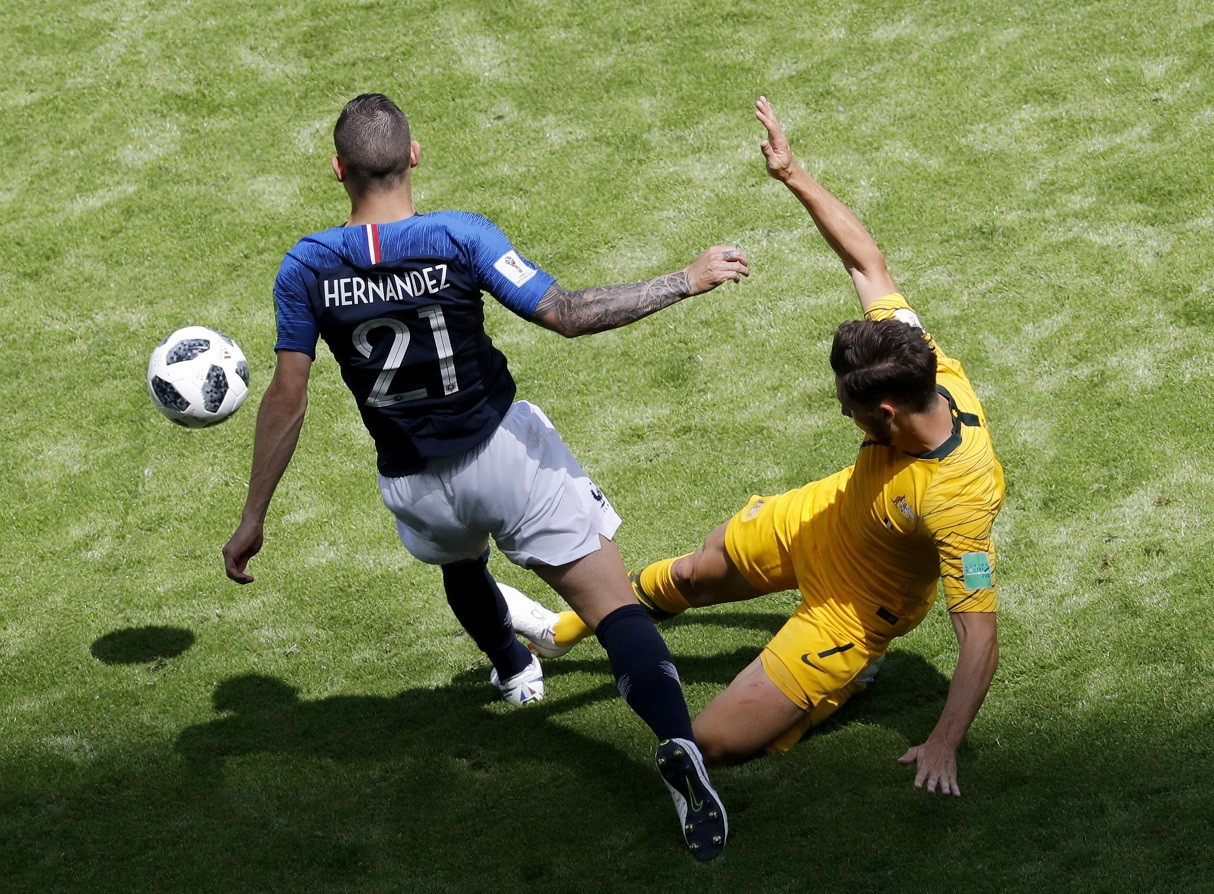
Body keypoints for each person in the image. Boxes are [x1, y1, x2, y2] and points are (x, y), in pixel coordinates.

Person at [221, 93, 749, 861]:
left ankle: (512, 667)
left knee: (462, 562)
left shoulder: (305, 267)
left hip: (414, 486)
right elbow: (565, 313)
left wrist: (252, 518)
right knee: (612, 607)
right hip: (505, 456)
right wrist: (684, 279)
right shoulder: (458, 237)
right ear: (415, 155)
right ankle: (677, 742)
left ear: (338, 171)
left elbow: (288, 397)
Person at [506, 95, 1004, 798]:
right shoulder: (923, 360)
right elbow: (868, 264)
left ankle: (849, 677)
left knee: (713, 739)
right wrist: (792, 172)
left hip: (855, 609)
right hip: (824, 515)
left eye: (849, 408)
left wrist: (944, 744)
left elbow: (978, 639)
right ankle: (559, 631)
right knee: (691, 574)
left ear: (887, 414)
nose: (841, 410)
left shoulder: (960, 501)